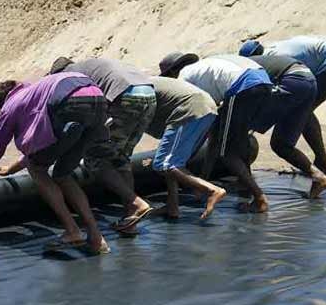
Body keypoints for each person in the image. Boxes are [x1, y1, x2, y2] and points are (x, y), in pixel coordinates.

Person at [0, 73, 111, 255]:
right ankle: (96, 238)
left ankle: (72, 230)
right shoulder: (34, 94)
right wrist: (12, 168)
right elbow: (42, 148)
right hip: (97, 100)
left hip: (69, 102)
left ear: (2, 102)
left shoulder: (11, 105)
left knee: (37, 170)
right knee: (62, 174)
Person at [48, 58, 156, 234]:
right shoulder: (89, 66)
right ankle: (130, 220)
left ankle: (136, 203)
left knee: (94, 158)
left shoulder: (69, 76)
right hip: (149, 95)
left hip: (124, 96)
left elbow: (83, 112)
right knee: (121, 158)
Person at [159, 53, 273, 213]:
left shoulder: (183, 79)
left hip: (243, 85)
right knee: (235, 139)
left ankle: (260, 199)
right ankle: (237, 184)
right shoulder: (202, 70)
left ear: (172, 73)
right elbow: (212, 128)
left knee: (226, 153)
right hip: (264, 82)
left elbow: (195, 118)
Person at [239, 35, 326, 178]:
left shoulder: (274, 58)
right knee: (304, 106)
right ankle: (322, 163)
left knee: (304, 108)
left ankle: (323, 165)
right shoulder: (273, 51)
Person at [244, 55, 326, 198]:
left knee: (242, 132)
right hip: (309, 81)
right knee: (281, 144)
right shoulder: (257, 61)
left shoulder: (240, 68)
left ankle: (248, 187)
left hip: (291, 80)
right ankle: (320, 177)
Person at [144, 77, 227, 220]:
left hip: (190, 109)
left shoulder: (136, 90)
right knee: (173, 162)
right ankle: (172, 206)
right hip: (205, 107)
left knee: (164, 164)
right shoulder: (147, 84)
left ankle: (212, 190)